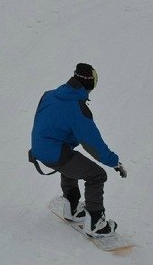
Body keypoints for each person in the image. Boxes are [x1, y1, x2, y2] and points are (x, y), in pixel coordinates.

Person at [29, 63, 127, 237]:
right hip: (54, 153)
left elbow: (40, 120)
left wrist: (39, 147)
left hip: (40, 149)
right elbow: (93, 143)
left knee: (71, 160)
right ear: (90, 84)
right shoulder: (77, 108)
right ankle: (95, 223)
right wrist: (114, 162)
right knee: (97, 175)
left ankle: (71, 207)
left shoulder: (49, 95)